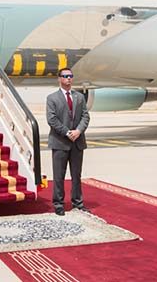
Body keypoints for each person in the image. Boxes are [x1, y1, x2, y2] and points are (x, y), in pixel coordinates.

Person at [46, 67, 90, 216]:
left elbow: (85, 116)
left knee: (76, 175)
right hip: (60, 142)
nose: (68, 78)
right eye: (65, 76)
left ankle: (78, 203)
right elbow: (51, 119)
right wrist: (66, 132)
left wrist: (78, 131)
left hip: (77, 142)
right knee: (59, 175)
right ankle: (58, 204)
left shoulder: (79, 97)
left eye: (70, 76)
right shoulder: (52, 98)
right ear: (59, 79)